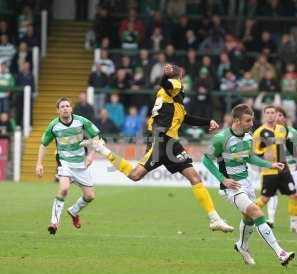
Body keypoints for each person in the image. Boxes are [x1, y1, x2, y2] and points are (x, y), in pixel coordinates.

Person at [83, 64, 233, 233]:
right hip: (160, 139)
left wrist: (208, 122)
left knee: (195, 177)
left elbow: (185, 117)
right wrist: (166, 75)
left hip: (172, 143)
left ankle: (215, 219)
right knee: (135, 175)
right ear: (179, 76)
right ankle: (101, 149)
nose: (183, 80)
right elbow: (167, 84)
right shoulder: (174, 85)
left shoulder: (175, 100)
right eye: (181, 76)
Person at [202, 104, 295, 266]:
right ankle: (281, 253)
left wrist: (269, 165)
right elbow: (206, 160)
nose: (252, 123)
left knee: (249, 219)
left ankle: (242, 246)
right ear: (236, 120)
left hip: (246, 183)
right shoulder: (221, 139)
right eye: (248, 120)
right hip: (231, 187)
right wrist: (223, 179)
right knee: (257, 213)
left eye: (252, 120)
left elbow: (249, 158)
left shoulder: (248, 136)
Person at [35, 97, 100, 235]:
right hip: (65, 162)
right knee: (64, 189)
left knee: (90, 196)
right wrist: (39, 164)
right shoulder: (54, 126)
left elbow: (96, 137)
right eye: (62, 106)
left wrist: (90, 155)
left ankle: (73, 211)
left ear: (71, 108)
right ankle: (54, 223)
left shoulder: (81, 122)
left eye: (67, 106)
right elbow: (43, 145)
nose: (65, 108)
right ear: (58, 110)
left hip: (81, 163)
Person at [253, 105, 297, 233]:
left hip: (283, 168)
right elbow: (255, 150)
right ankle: (249, 217)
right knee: (264, 199)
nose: (271, 115)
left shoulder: (282, 129)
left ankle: (294, 226)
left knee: (295, 195)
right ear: (264, 115)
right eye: (268, 113)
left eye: (273, 113)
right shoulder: (259, 132)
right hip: (269, 170)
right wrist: (263, 155)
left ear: (276, 114)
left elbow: (289, 145)